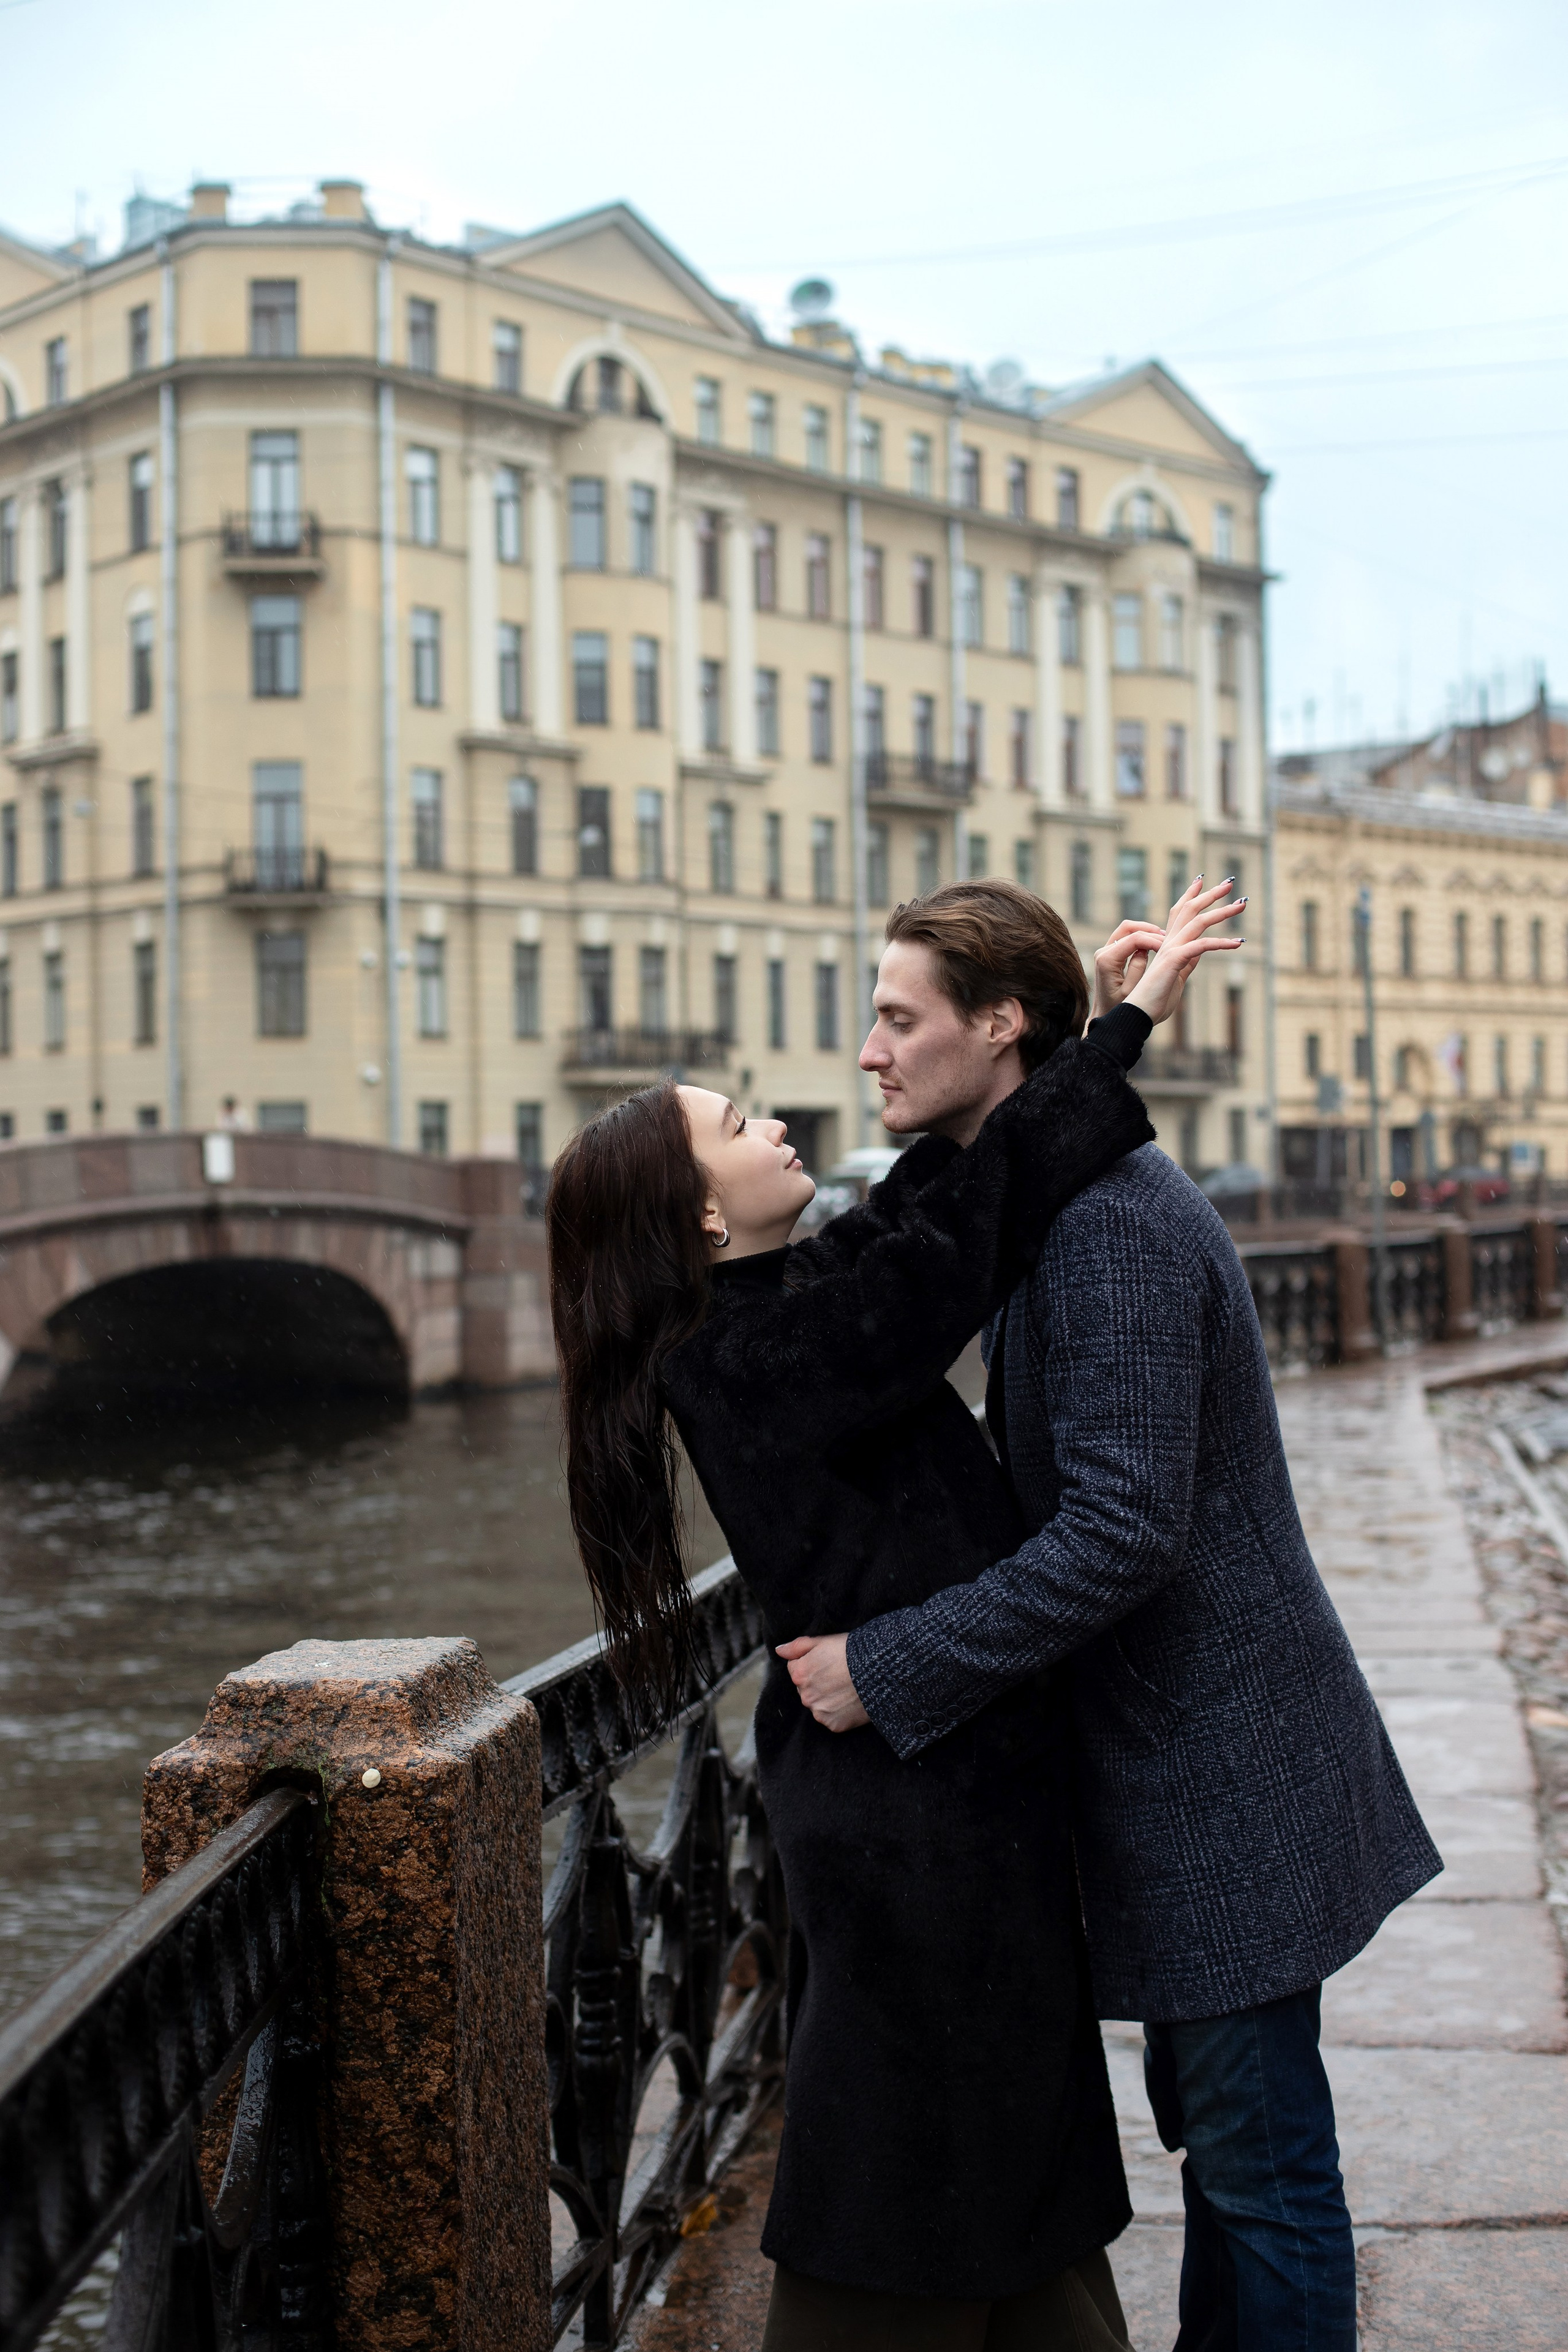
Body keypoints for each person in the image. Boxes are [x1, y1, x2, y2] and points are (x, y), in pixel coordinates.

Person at [546, 886, 1242, 2351]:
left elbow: (935, 1200)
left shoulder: (779, 1303)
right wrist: (1120, 1028)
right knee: (909, 2159)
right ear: (700, 1215)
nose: (778, 1124)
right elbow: (958, 1237)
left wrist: (1058, 1033)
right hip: (907, 1813)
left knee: (993, 2138)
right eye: (739, 1126)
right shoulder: (751, 1358)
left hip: (937, 1777)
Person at [782, 879, 1444, 2352]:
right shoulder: (1051, 1196)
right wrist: (1096, 1020)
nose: (870, 1051)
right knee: (1233, 2158)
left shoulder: (1105, 1235)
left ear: (994, 1028)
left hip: (1221, 1771)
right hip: (1186, 1761)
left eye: (897, 1019)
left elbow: (1119, 1533)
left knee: (1261, 2173)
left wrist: (887, 1666)